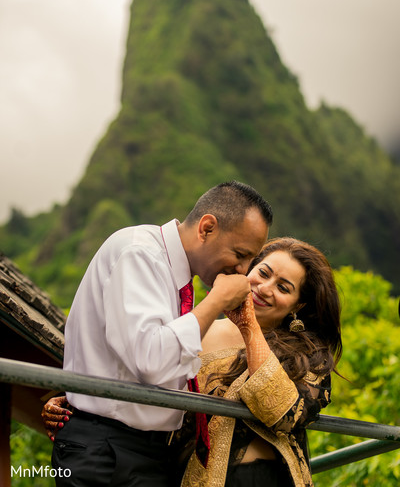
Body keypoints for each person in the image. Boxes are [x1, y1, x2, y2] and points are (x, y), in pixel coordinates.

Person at [44, 236, 342, 487]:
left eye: (283, 287)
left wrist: (248, 325)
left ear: (298, 306)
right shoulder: (197, 328)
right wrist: (80, 402)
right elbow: (151, 378)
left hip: (261, 478)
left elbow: (283, 412)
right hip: (182, 476)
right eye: (263, 273)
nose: (265, 288)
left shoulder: (308, 355)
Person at [49, 181, 272, 486]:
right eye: (240, 254)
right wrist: (216, 301)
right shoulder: (139, 253)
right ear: (207, 228)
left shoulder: (176, 275)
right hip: (108, 452)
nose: (243, 271)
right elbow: (151, 360)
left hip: (144, 453)